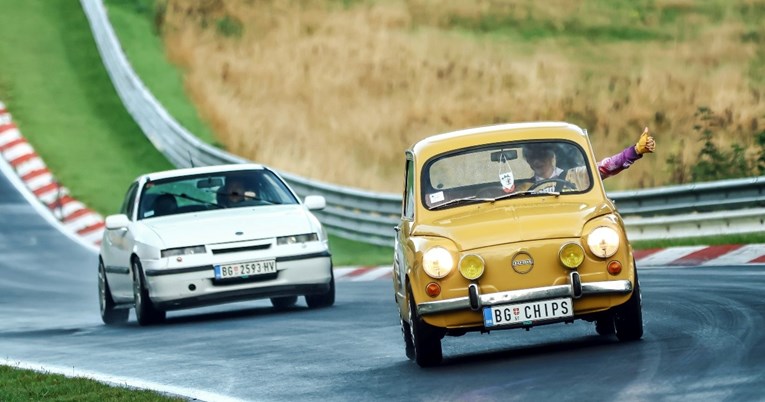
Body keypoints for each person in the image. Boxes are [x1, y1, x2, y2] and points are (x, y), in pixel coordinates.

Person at [522, 127, 656, 191]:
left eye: (541, 155)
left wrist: (635, 150)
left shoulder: (577, 175)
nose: (537, 161)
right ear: (527, 161)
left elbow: (607, 166)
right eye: (531, 157)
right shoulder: (524, 188)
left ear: (552, 156)